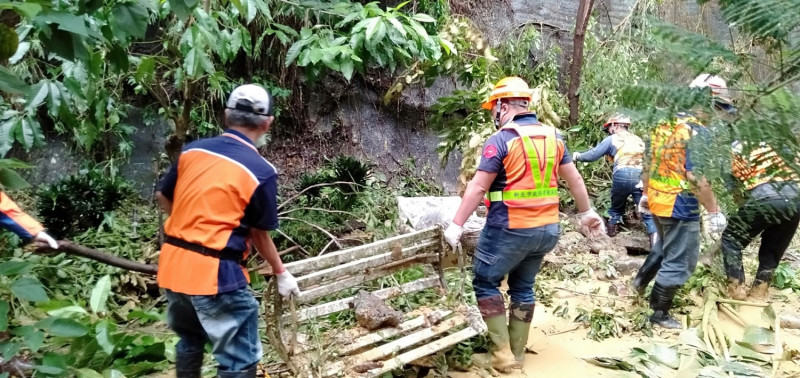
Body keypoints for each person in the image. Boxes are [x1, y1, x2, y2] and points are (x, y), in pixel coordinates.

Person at [444, 77, 605, 372]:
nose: (493, 113)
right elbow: (575, 179)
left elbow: (478, 188)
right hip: (546, 229)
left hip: (509, 228)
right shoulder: (554, 137)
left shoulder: (502, 140)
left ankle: (501, 355)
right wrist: (587, 213)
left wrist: (456, 225)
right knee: (523, 287)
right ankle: (516, 354)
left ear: (503, 106)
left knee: (484, 280)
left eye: (493, 107)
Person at [155, 84, 300, 378]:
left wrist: (188, 226)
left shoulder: (193, 151)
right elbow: (259, 234)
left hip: (172, 268)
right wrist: (280, 271)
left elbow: (163, 195)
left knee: (189, 340)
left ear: (226, 115)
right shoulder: (260, 170)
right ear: (268, 122)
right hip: (216, 276)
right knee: (238, 359)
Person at [633, 73, 729, 329]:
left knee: (664, 247)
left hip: (657, 199)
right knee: (682, 261)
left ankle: (639, 285)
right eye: (717, 107)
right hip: (679, 204)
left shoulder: (662, 124)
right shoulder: (697, 132)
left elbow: (647, 164)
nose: (717, 114)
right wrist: (713, 211)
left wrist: (644, 194)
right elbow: (696, 177)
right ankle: (659, 313)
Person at [722, 140, 800, 300]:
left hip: (764, 197)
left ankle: (736, 290)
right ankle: (759, 292)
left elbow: (735, 193)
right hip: (796, 199)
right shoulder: (780, 146)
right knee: (773, 249)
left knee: (731, 240)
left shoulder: (734, 150)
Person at [573, 115, 658, 243]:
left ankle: (612, 241)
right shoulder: (638, 140)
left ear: (615, 125)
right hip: (641, 176)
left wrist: (578, 156)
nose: (609, 131)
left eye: (609, 128)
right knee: (647, 212)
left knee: (616, 208)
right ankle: (656, 247)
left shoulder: (613, 139)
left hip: (622, 174)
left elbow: (593, 155)